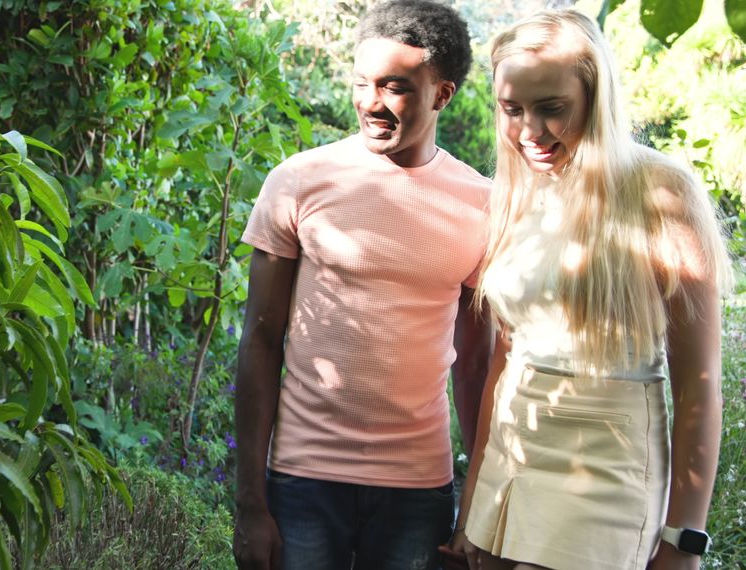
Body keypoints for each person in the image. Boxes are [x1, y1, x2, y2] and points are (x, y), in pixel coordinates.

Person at [445, 10, 731, 570]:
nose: (530, 131)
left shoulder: (661, 191)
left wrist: (683, 541)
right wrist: (471, 505)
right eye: (512, 110)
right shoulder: (516, 193)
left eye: (552, 108)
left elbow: (699, 387)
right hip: (510, 454)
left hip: (606, 469)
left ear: (596, 96)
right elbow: (506, 359)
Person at [232, 1, 493, 568]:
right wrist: (250, 503)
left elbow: (476, 366)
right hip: (303, 480)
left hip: (418, 489)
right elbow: (259, 339)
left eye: (395, 87)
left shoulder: (482, 205)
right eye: (361, 83)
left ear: (442, 94)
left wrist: (476, 503)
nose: (370, 103)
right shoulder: (299, 181)